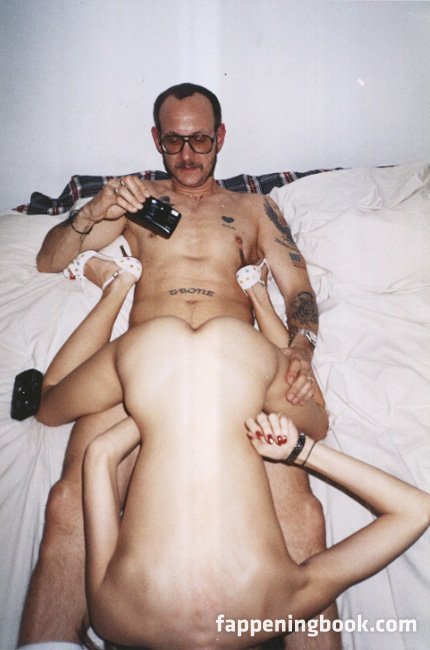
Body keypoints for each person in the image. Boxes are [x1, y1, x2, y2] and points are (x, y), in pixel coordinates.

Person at [18, 82, 334, 650]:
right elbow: (49, 259)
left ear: (221, 137)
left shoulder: (254, 208)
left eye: (200, 140)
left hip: (235, 371)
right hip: (144, 368)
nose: (187, 155)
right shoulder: (137, 202)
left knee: (304, 516)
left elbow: (299, 291)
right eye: (173, 141)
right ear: (156, 139)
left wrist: (301, 349)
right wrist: (94, 210)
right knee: (68, 505)